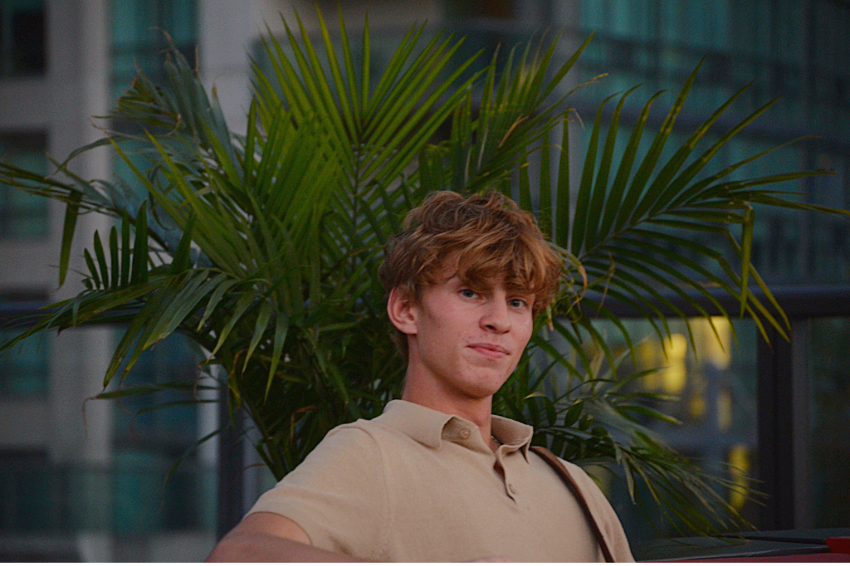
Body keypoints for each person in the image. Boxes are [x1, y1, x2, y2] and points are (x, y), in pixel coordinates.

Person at [206, 191, 634, 562]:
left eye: (519, 302)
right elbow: (237, 557)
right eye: (471, 292)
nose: (500, 320)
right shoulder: (371, 453)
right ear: (406, 310)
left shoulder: (573, 483)